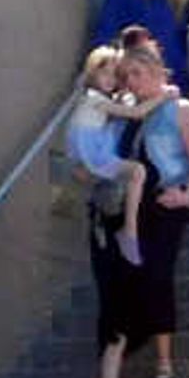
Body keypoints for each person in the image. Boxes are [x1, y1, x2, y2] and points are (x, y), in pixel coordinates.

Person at [93, 43, 189, 378]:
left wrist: (187, 195)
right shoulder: (127, 111)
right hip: (125, 206)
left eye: (139, 73)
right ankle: (113, 376)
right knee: (120, 284)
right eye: (127, 75)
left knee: (158, 277)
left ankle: (164, 364)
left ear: (159, 72)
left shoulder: (181, 109)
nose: (132, 81)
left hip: (163, 205)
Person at [60, 42, 151, 266]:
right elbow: (137, 113)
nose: (111, 79)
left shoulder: (101, 100)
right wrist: (165, 96)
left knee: (121, 179)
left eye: (115, 75)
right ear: (93, 73)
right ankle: (129, 230)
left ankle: (103, 220)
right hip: (91, 155)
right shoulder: (94, 99)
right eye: (105, 73)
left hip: (92, 153)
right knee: (138, 172)